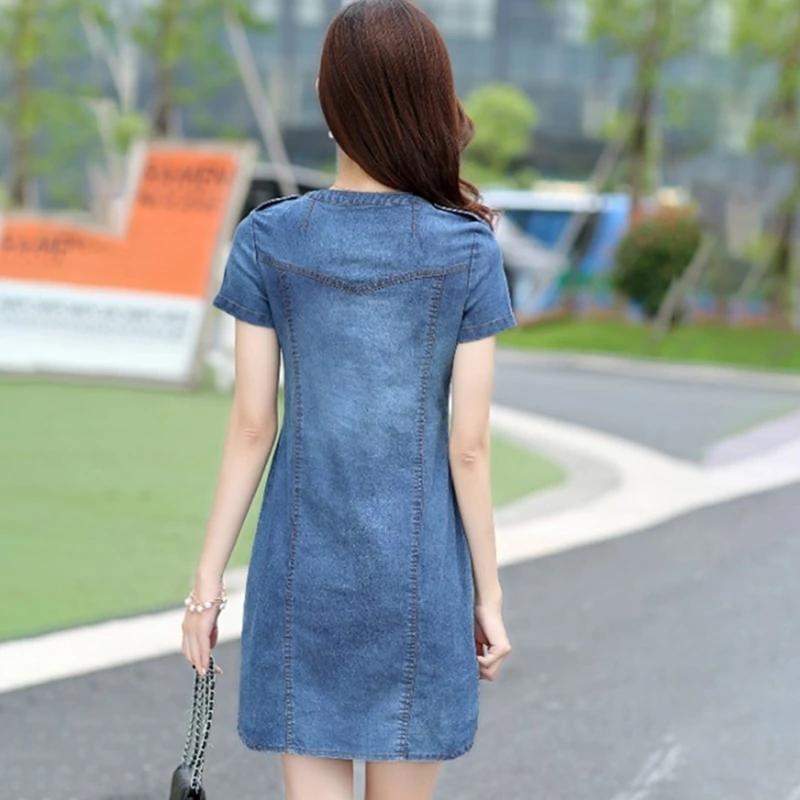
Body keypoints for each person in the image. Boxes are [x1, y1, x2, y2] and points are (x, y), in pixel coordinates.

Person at [181, 1, 515, 798]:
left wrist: (205, 589)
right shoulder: (468, 247)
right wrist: (490, 596)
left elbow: (252, 425)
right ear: (430, 100)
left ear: (328, 98)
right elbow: (468, 447)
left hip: (303, 581)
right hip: (420, 585)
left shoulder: (267, 238)